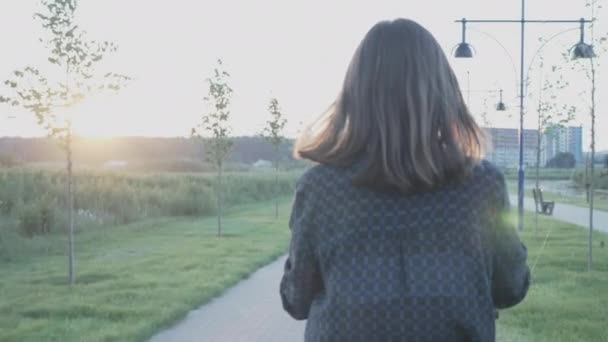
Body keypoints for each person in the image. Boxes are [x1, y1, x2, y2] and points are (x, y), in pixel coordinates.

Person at [280, 18, 530, 342]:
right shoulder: (482, 184)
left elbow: (296, 300)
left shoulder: (320, 187)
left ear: (355, 95)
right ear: (443, 92)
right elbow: (511, 288)